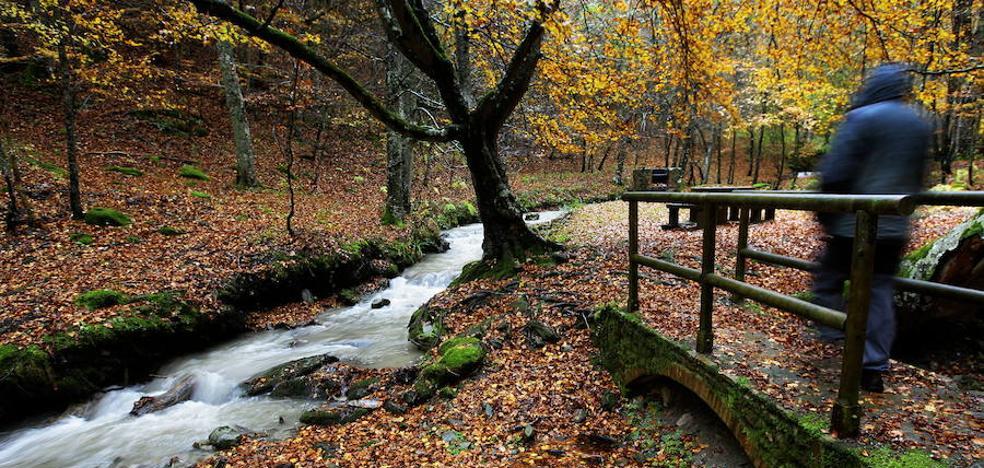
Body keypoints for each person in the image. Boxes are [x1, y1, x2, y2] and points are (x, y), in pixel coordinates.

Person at [812, 63, 931, 393]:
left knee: (827, 279)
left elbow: (836, 173)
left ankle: (836, 336)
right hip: (894, 228)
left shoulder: (862, 118)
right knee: (878, 291)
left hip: (853, 225)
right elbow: (921, 180)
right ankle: (872, 363)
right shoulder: (918, 123)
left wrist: (826, 214)